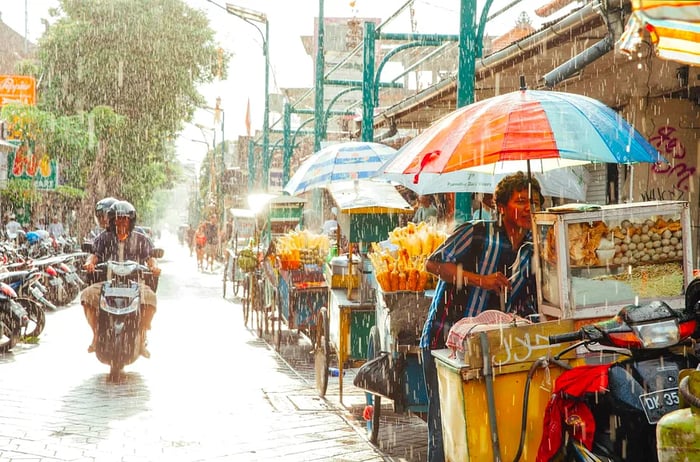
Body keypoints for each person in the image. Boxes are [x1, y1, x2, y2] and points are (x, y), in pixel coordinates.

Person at [419, 171, 542, 462]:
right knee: (445, 428)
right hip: (444, 344)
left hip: (495, 351)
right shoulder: (476, 232)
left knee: (485, 430)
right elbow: (433, 264)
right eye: (521, 201)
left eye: (534, 202)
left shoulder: (533, 247)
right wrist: (480, 280)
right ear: (500, 206)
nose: (528, 208)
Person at [81, 200, 160, 358]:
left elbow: (150, 258)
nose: (122, 221)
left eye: (125, 218)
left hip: (135, 285)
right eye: (118, 218)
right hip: (107, 283)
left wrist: (154, 267)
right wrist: (89, 263)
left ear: (131, 221)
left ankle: (142, 335)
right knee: (87, 296)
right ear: (112, 220)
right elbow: (94, 255)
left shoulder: (140, 238)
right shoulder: (104, 238)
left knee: (151, 299)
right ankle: (96, 335)